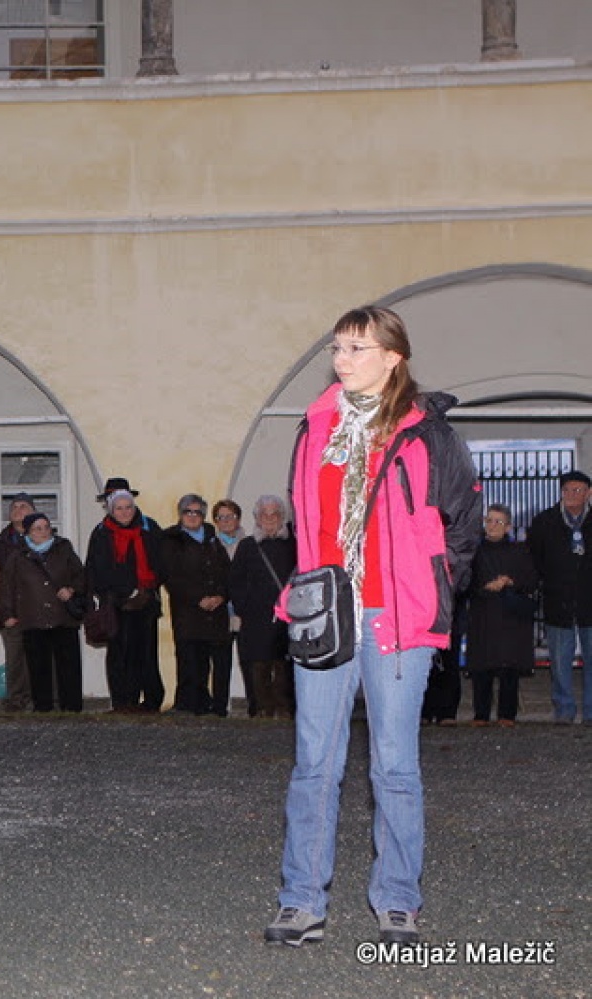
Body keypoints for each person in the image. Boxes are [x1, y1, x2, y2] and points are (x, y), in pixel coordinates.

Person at [265, 305, 480, 949]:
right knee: (314, 765)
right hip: (328, 612)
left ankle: (397, 901)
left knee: (393, 766)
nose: (342, 360)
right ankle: (301, 901)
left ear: (393, 357)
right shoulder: (316, 425)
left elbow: (463, 520)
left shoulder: (427, 432)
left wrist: (436, 584)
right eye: (337, 348)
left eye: (357, 348)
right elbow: (308, 519)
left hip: (395, 614)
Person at [85, 488, 165, 713]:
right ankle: (123, 701)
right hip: (116, 604)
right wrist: (122, 591)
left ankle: (151, 701)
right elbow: (96, 568)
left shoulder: (150, 528)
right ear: (111, 510)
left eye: (128, 507)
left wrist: (146, 588)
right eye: (119, 508)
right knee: (119, 654)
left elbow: (161, 562)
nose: (124, 512)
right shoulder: (102, 533)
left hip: (146, 602)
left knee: (147, 654)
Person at [0, 512, 84, 712]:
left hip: (63, 617)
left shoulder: (64, 549)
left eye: (46, 527)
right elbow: (7, 586)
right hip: (32, 617)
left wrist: (71, 589)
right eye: (38, 528)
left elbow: (80, 576)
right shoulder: (18, 556)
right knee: (38, 666)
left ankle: (71, 707)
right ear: (28, 532)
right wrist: (7, 614)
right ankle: (43, 706)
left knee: (68, 665)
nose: (44, 532)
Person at [527, 469, 592, 725]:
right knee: (560, 660)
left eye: (577, 490)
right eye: (567, 490)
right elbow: (534, 558)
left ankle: (590, 712)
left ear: (588, 493)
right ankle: (564, 709)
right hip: (558, 601)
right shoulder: (545, 522)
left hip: (590, 602)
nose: (571, 495)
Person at [467, 504, 539, 727]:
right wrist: (485, 587)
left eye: (498, 522)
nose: (492, 526)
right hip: (483, 613)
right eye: (489, 520)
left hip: (510, 616)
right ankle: (481, 714)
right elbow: (464, 582)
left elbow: (532, 581)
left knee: (509, 666)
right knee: (482, 666)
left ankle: (507, 714)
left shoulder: (519, 551)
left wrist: (509, 581)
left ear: (508, 527)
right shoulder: (474, 552)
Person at [163, 494, 232, 716]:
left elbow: (227, 572)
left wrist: (221, 596)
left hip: (216, 612)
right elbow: (171, 576)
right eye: (188, 512)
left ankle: (213, 707)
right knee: (190, 661)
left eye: (197, 512)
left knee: (214, 663)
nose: (192, 516)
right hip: (188, 612)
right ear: (180, 515)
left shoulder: (213, 539)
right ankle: (188, 705)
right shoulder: (171, 540)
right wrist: (198, 598)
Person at [228, 495, 297, 718]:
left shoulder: (292, 544)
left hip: (287, 616)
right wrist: (244, 607)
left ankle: (284, 708)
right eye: (264, 514)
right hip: (255, 617)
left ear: (282, 517)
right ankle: (260, 709)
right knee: (257, 665)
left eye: (274, 513)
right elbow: (235, 581)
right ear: (257, 518)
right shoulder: (248, 546)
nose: (270, 518)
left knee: (284, 665)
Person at [0, 492, 37, 712]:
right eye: (14, 507)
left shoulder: (43, 540)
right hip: (11, 610)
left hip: (39, 610)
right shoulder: (0, 546)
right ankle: (16, 700)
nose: (18, 510)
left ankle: (41, 699)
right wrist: (5, 611)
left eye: (24, 506)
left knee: (40, 657)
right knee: (15, 658)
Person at [213, 499, 247, 714]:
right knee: (220, 661)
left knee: (249, 660)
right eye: (221, 517)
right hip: (220, 611)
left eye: (230, 516)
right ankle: (219, 706)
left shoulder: (250, 543)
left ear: (238, 519)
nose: (226, 521)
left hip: (244, 610)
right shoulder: (210, 544)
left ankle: (254, 705)